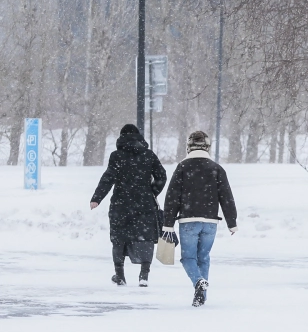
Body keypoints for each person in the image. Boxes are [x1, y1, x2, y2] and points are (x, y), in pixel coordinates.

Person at [160, 131, 238, 307]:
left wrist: (168, 224)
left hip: (188, 220)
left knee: (188, 258)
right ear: (207, 147)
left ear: (188, 147)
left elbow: (172, 197)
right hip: (211, 222)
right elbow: (226, 196)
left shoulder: (182, 168)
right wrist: (232, 222)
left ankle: (197, 282)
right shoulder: (216, 168)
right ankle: (201, 295)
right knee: (203, 257)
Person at [90, 124, 167, 287]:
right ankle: (144, 275)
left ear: (121, 137)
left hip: (121, 203)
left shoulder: (116, 156)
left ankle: (120, 275)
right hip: (144, 204)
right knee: (146, 237)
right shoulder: (148, 155)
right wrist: (151, 191)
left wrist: (97, 198)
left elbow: (108, 178)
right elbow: (162, 176)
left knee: (119, 238)